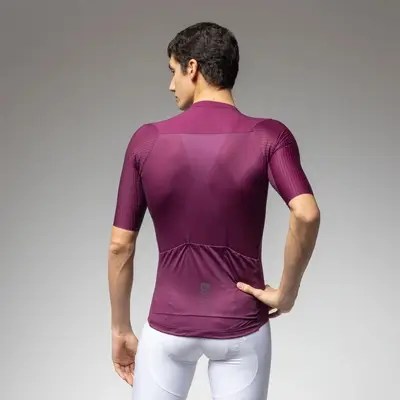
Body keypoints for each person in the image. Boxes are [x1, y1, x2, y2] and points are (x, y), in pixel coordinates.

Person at [108, 22, 320, 400]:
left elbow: (120, 246)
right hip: (241, 325)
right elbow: (306, 213)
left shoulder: (147, 140)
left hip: (169, 322)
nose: (171, 85)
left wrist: (120, 329)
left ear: (192, 68)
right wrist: (287, 293)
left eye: (173, 71)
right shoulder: (269, 136)